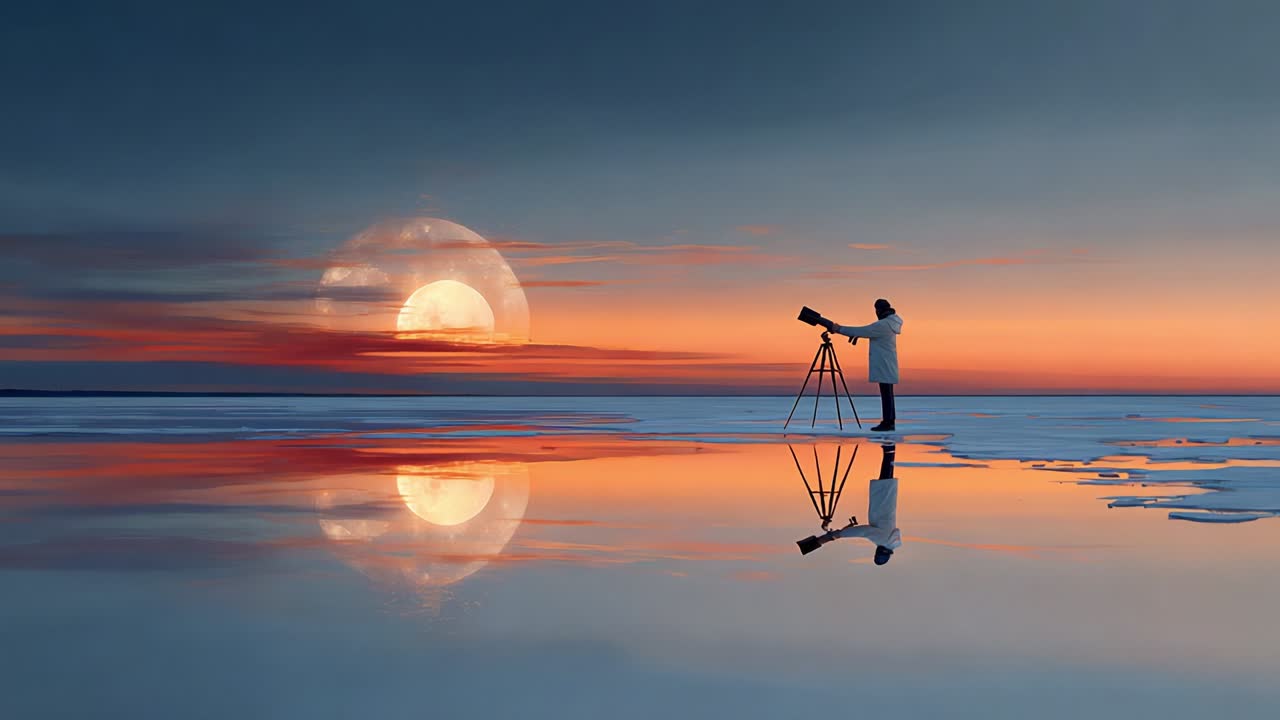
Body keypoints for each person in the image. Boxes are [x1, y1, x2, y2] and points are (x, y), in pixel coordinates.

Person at [796, 443, 901, 565]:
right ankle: (889, 450)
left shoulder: (890, 540)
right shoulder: (883, 540)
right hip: (882, 505)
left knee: (886, 478)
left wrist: (838, 534)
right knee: (885, 478)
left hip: (884, 504)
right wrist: (839, 534)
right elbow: (863, 532)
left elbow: (864, 531)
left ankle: (890, 450)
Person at [830, 299, 903, 432]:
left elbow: (864, 330)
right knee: (887, 393)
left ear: (879, 310)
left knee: (886, 393)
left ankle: (888, 422)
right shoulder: (890, 323)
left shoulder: (884, 325)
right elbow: (868, 332)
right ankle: (889, 421)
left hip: (883, 363)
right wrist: (858, 335)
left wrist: (839, 329)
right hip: (886, 362)